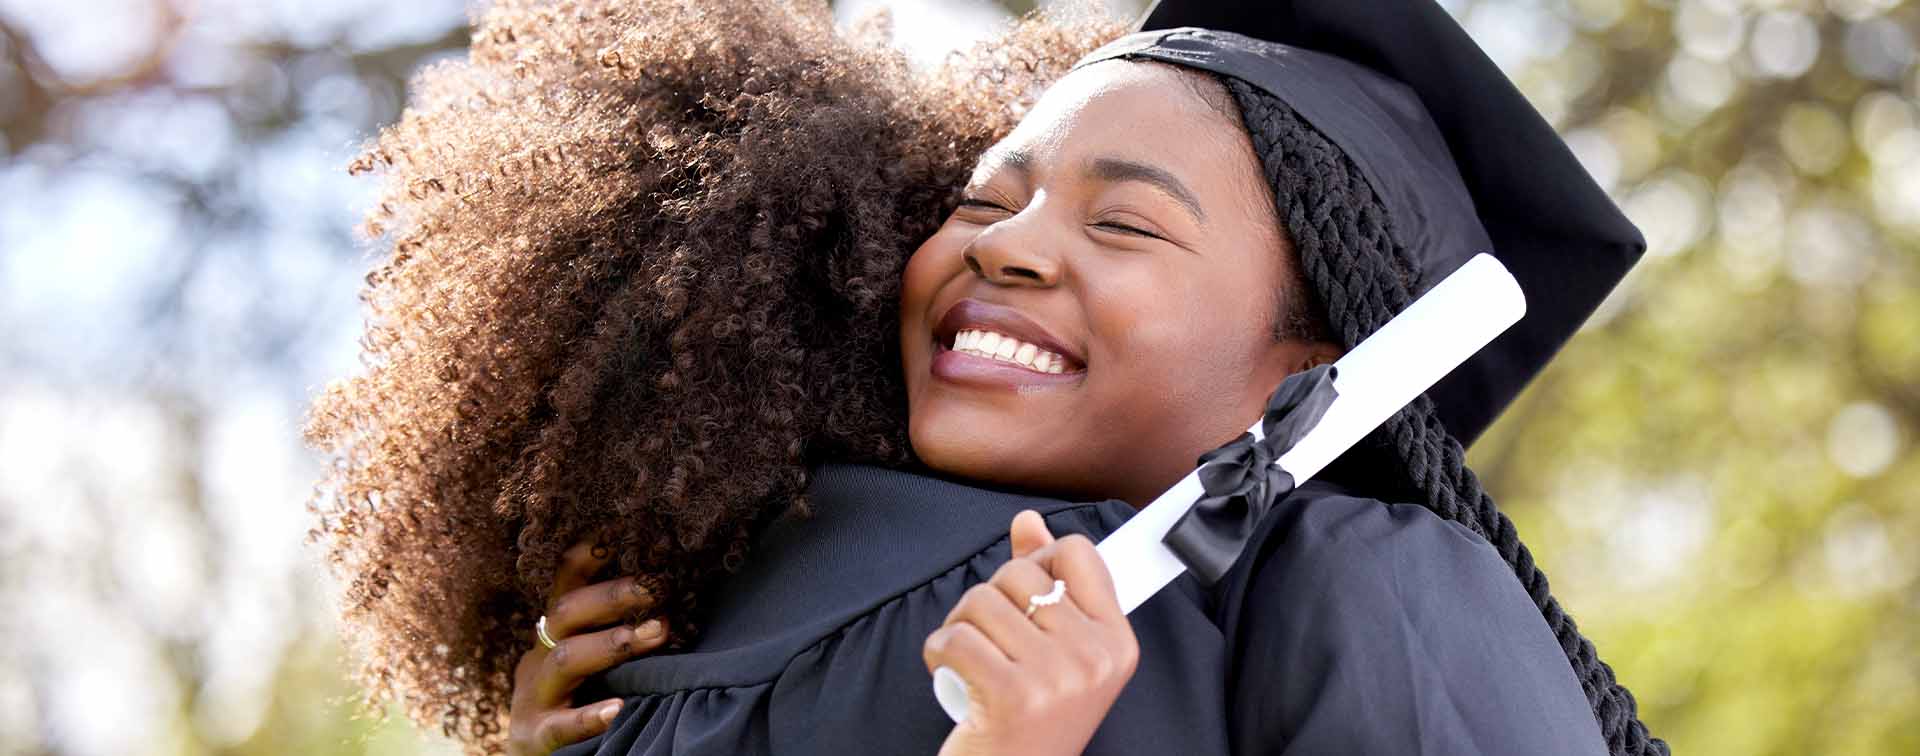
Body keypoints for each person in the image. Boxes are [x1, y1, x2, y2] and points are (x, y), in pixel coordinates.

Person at [304, 1, 1667, 754]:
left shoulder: (1355, 584)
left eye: (1125, 222)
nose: (1008, 248)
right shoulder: (737, 582)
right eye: (979, 200)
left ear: (1320, 363)